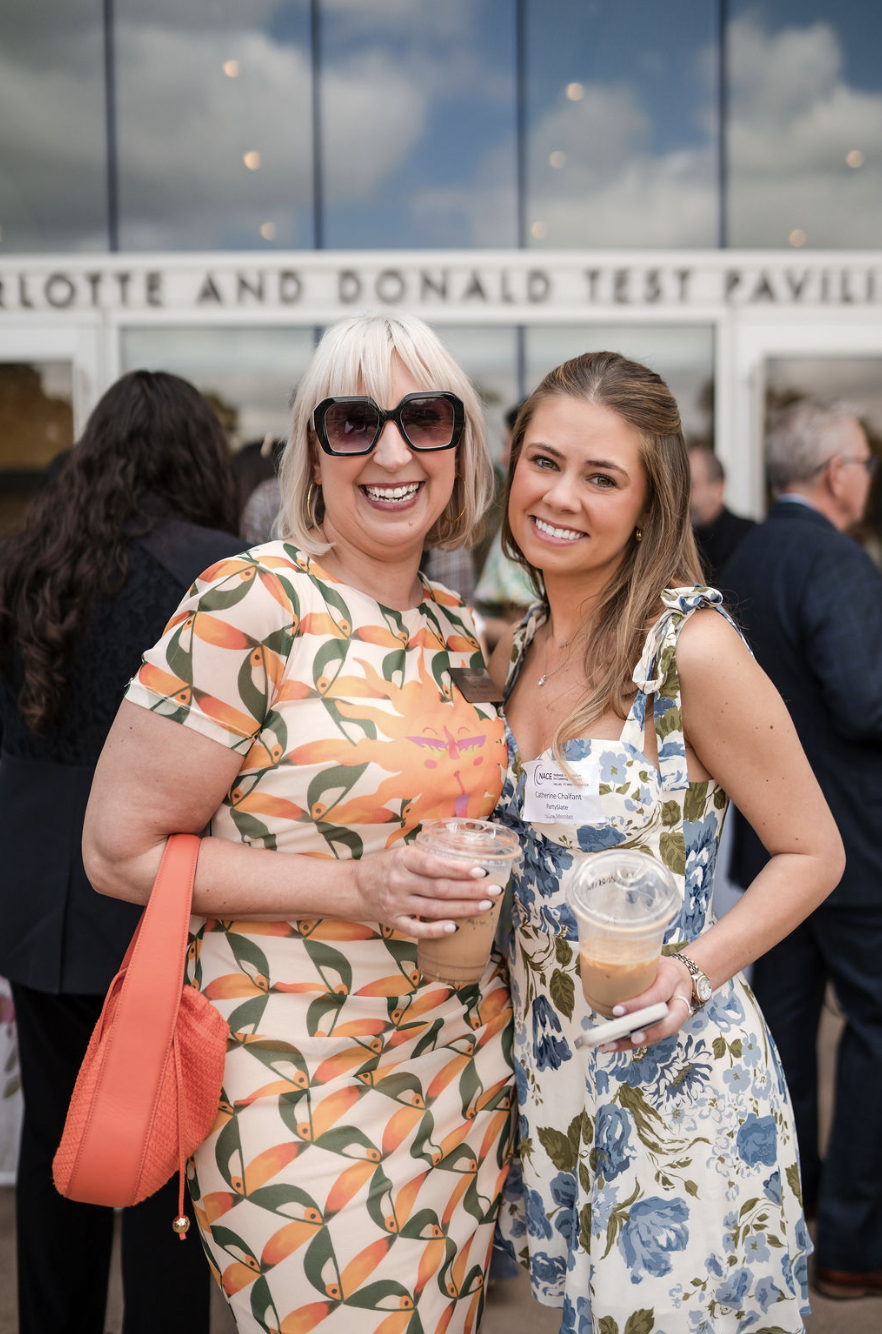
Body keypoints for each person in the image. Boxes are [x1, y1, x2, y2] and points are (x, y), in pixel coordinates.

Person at [81, 314, 515, 1333]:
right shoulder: (252, 599)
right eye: (355, 422)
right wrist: (356, 887)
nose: (396, 451)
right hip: (294, 1077)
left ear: (463, 444)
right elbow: (116, 848)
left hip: (456, 1065)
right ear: (313, 452)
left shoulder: (453, 629)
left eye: (426, 418)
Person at [487, 352, 843, 1332]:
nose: (560, 495)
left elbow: (815, 849)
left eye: (601, 477)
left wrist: (693, 966)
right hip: (560, 1083)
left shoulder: (691, 648)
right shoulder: (524, 638)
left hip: (675, 1084)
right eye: (544, 461)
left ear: (650, 503)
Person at [0, 370, 243, 1334]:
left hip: (32, 889)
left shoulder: (27, 560)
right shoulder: (219, 570)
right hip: (155, 883)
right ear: (197, 456)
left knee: (59, 1137)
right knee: (163, 1150)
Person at [723, 397, 882, 1300]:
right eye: (863, 459)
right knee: (872, 1033)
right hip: (855, 846)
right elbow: (863, 703)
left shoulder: (751, 554)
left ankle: (788, 1218)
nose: (867, 474)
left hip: (771, 848)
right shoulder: (835, 561)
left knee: (783, 1035)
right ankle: (854, 1248)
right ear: (835, 473)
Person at [688, 444, 755, 586]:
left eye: (692, 485)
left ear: (718, 489)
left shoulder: (747, 538)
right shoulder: (681, 539)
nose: (685, 496)